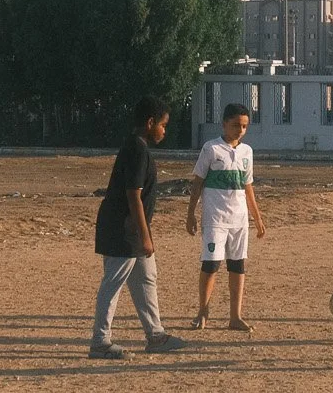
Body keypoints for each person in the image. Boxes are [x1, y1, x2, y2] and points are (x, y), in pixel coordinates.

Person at [90, 97, 188, 361]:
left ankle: (155, 336)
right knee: (113, 284)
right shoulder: (137, 150)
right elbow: (133, 195)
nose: (164, 131)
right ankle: (100, 342)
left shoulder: (138, 147)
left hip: (132, 230)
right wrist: (144, 236)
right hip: (123, 230)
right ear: (150, 122)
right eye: (163, 125)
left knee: (146, 278)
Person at [185, 102, 266, 331]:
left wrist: (257, 218)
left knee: (237, 266)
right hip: (215, 219)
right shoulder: (211, 149)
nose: (240, 130)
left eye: (244, 126)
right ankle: (203, 310)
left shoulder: (247, 152)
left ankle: (235, 316)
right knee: (211, 265)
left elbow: (248, 186)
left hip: (239, 220)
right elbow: (198, 182)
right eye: (236, 125)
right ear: (224, 124)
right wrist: (190, 213)